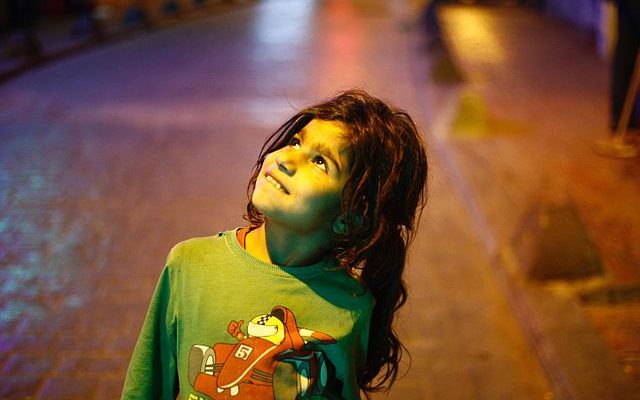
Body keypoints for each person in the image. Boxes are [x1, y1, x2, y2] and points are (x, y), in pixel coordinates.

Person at [121, 89, 429, 399]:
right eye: (295, 141)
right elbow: (144, 388)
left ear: (351, 216)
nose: (286, 159)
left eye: (320, 161)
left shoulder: (350, 306)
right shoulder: (189, 264)